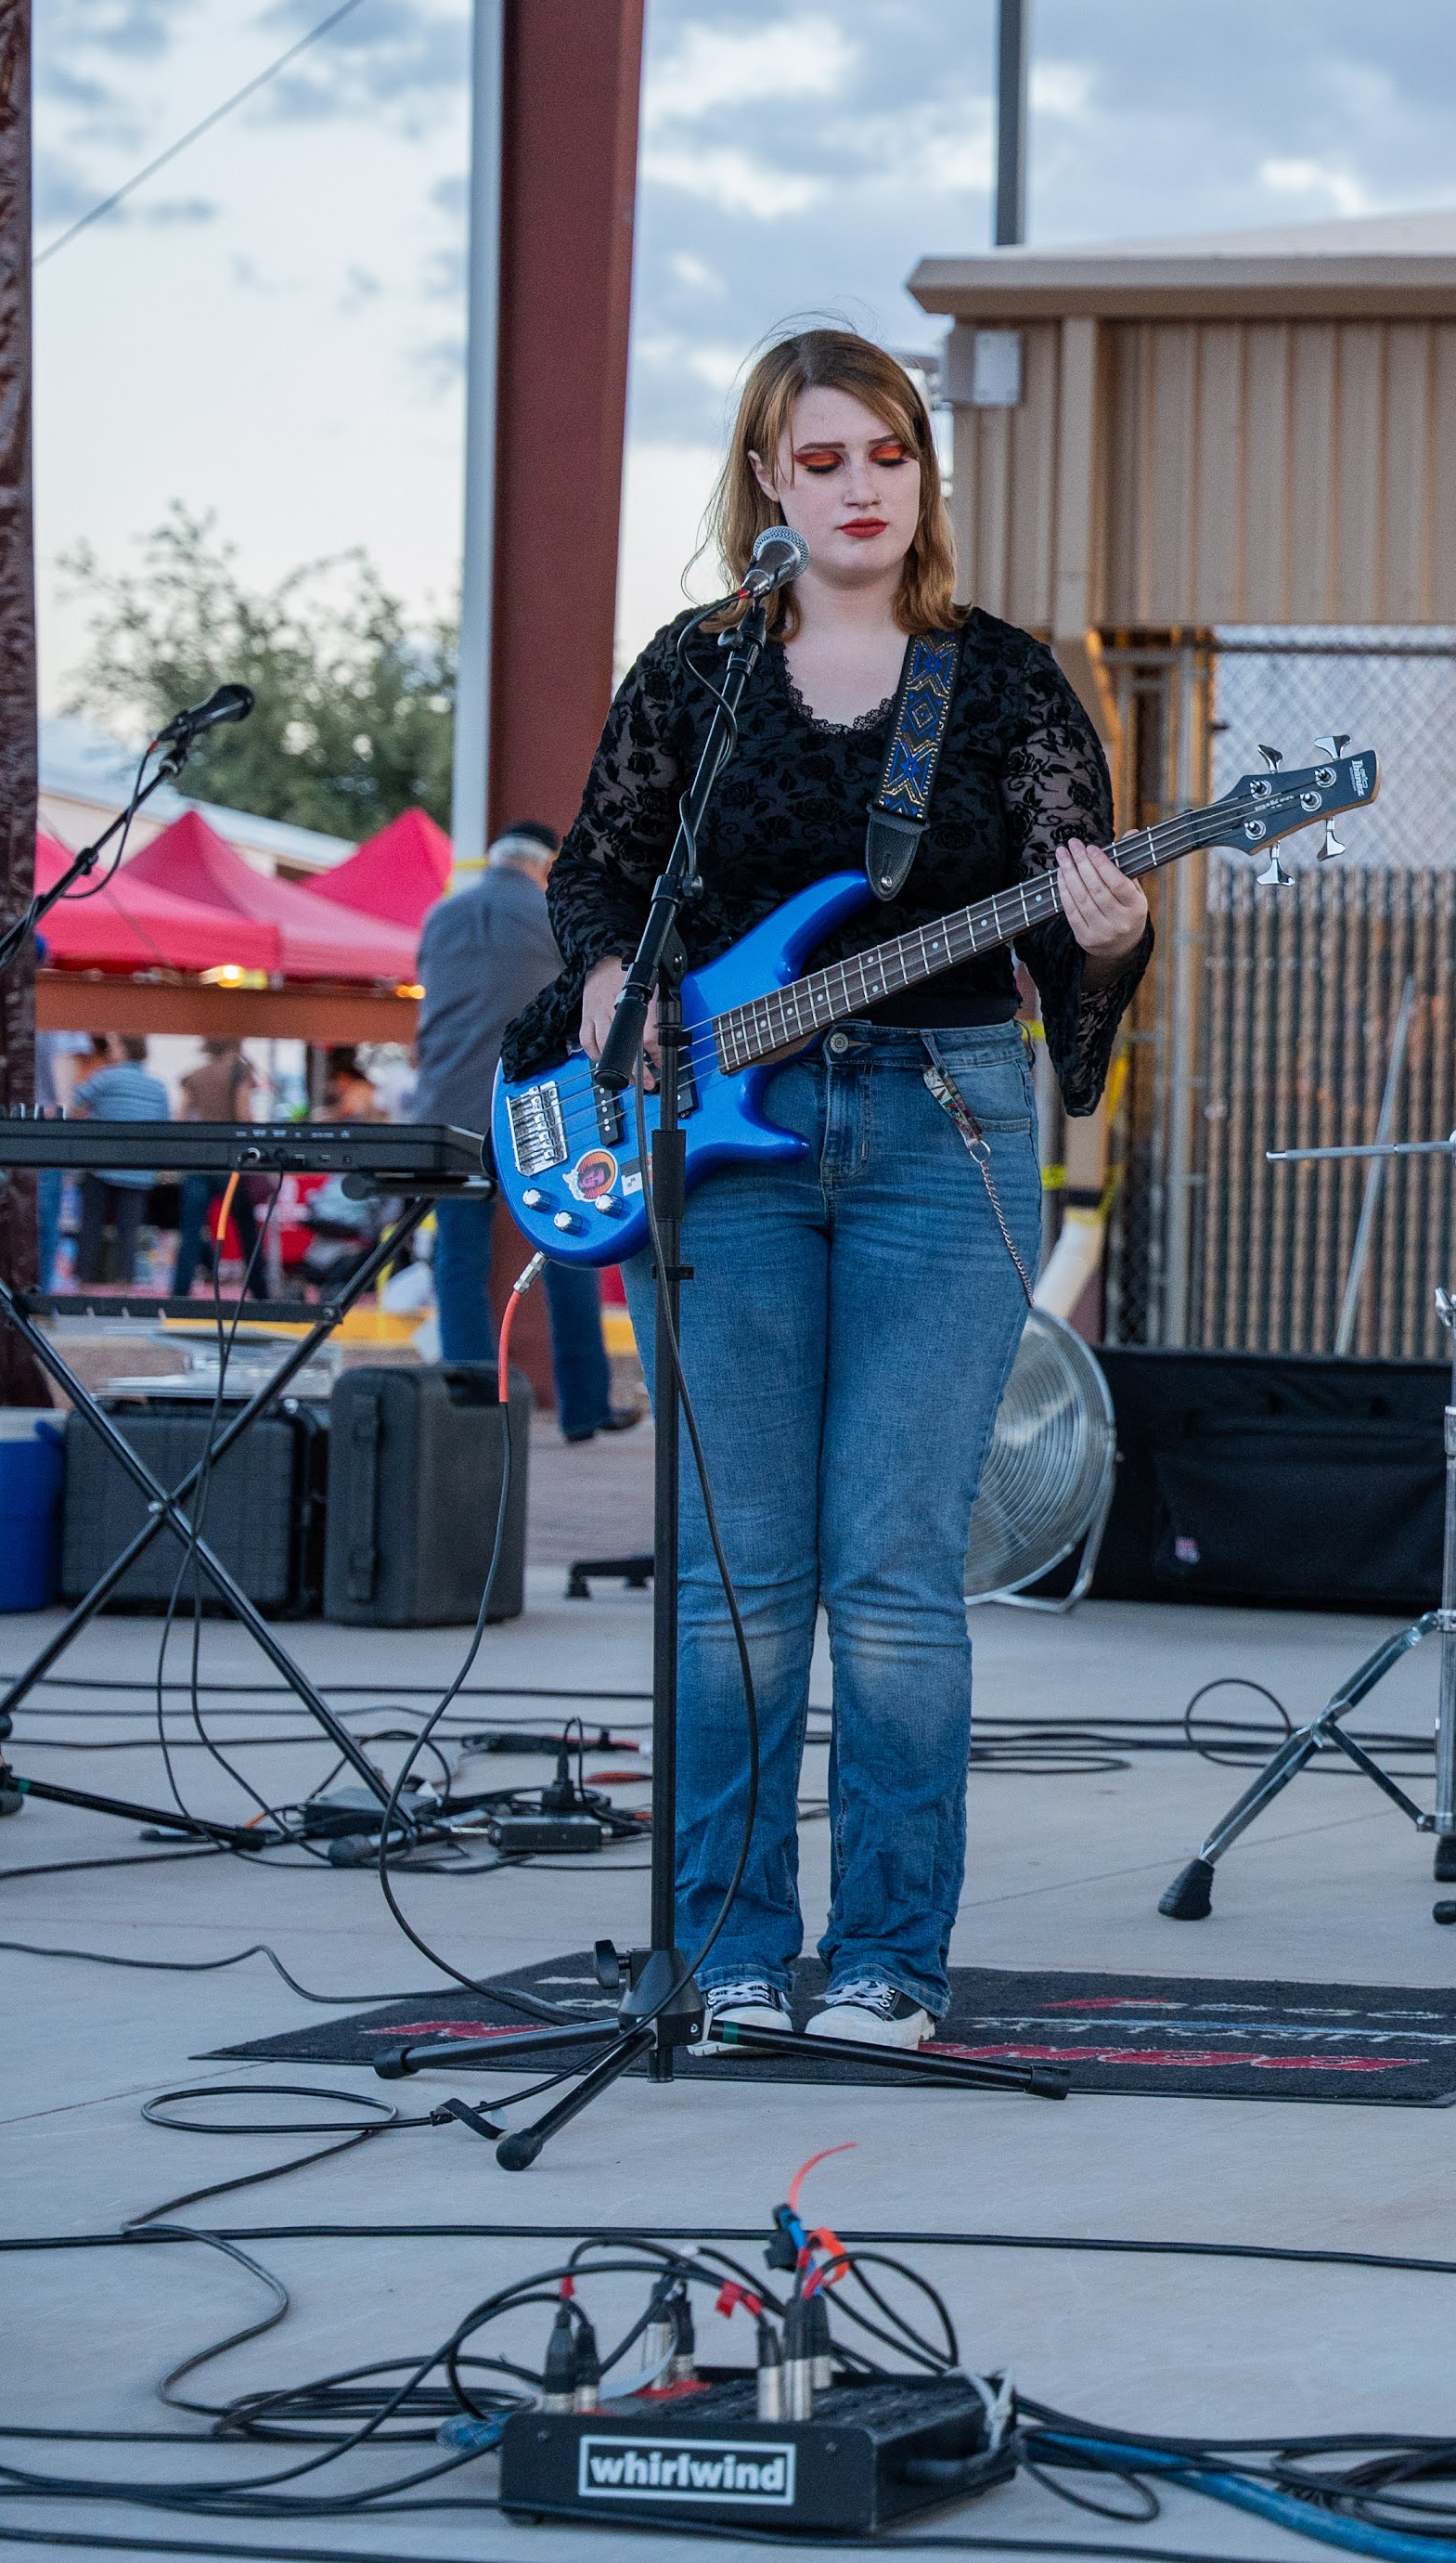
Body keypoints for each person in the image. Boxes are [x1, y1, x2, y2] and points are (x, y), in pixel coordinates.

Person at [504, 325, 1152, 2055]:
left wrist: (1108, 938)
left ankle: (885, 1964)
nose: (860, 488)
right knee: (731, 1574)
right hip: (719, 1147)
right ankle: (725, 1951)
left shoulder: (1004, 683)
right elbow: (599, 880)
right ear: (763, 484)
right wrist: (599, 987)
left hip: (940, 1127)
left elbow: (1065, 921)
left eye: (887, 456)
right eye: (821, 461)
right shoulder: (696, 676)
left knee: (889, 1571)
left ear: (923, 479)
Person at [411, 822, 628, 1438]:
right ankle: (585, 1408)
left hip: (446, 1107)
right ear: (547, 863)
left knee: (457, 1262)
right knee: (570, 1241)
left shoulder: (441, 917)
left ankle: (474, 1410)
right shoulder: (553, 912)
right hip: (537, 1104)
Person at [72, 1037, 174, 1287]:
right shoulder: (157, 1087)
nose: (110, 1051)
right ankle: (124, 1283)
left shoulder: (107, 1077)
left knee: (91, 1225)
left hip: (101, 1164)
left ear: (125, 1050)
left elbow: (74, 1099)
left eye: (114, 1047)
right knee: (129, 1230)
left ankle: (83, 1280)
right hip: (138, 1169)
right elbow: (165, 1126)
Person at [168, 1037, 264, 1299]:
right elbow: (243, 1114)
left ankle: (180, 1292)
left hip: (199, 1158)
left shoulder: (194, 1075)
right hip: (230, 1159)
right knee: (246, 1228)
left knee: (191, 1230)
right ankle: (259, 1289)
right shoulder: (239, 1071)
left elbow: (180, 1117)